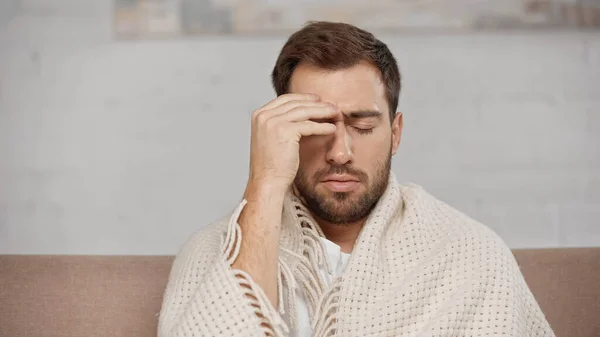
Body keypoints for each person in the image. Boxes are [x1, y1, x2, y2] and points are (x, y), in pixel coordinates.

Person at [157, 21, 555, 337]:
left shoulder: (468, 254)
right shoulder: (214, 251)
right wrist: (264, 182)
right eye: (316, 126)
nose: (340, 153)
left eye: (363, 126)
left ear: (395, 133)